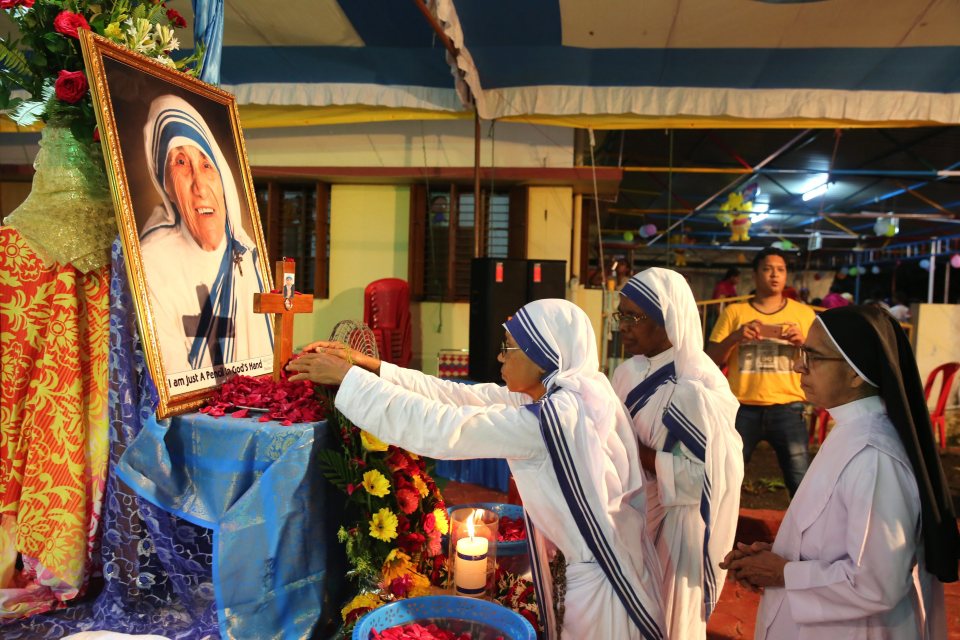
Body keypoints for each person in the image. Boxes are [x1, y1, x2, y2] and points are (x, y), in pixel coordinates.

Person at [288, 299, 666, 640]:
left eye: (508, 348)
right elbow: (459, 397)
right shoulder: (569, 395)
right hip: (598, 569)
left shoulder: (553, 419)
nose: (500, 358)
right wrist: (372, 367)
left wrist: (348, 380)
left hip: (602, 593)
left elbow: (445, 427)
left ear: (543, 355)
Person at [721, 305, 959, 639]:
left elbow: (878, 582)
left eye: (813, 356)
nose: (798, 365)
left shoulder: (873, 455)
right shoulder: (851, 431)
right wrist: (775, 558)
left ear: (855, 373)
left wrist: (784, 573)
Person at [612, 268, 744, 639]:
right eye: (619, 314)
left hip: (677, 527)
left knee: (668, 621)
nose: (622, 325)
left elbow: (708, 478)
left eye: (632, 317)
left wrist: (638, 453)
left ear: (667, 320)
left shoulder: (698, 384)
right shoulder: (625, 373)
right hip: (632, 512)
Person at [139, 94, 273, 376]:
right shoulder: (151, 263)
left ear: (221, 177)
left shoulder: (247, 258)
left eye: (206, 165)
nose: (199, 185)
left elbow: (264, 358)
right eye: (180, 163)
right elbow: (169, 376)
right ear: (165, 185)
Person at [707, 247, 815, 497]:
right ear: (754, 274)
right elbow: (711, 359)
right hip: (741, 408)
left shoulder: (803, 314)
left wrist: (803, 344)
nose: (774, 275)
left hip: (789, 407)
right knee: (725, 481)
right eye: (767, 269)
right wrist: (735, 336)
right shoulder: (735, 313)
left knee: (801, 483)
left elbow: (819, 361)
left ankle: (808, 535)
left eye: (780, 270)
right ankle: (720, 533)